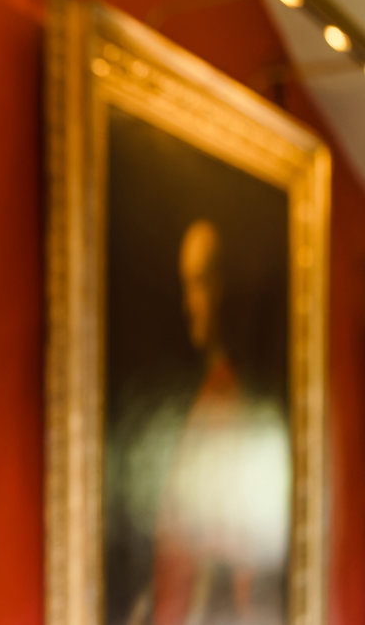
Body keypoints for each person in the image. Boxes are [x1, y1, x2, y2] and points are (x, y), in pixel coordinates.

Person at [139, 220, 288, 624]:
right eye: (187, 285)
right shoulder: (205, 396)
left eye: (200, 283)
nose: (191, 304)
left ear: (225, 288)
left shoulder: (230, 404)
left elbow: (230, 558)